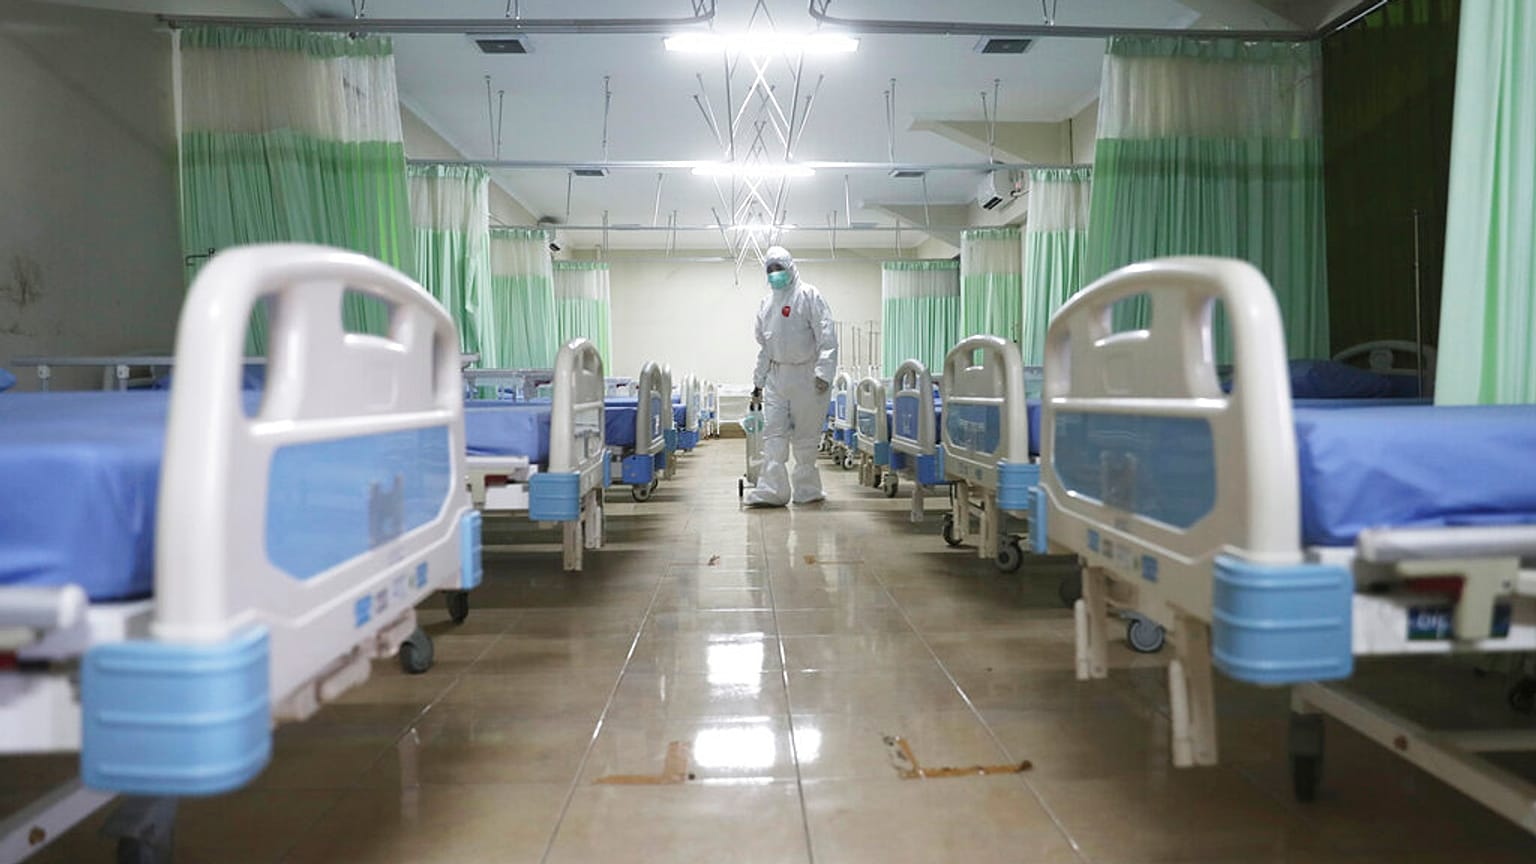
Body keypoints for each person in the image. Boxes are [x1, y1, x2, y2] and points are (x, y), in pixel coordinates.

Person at [744, 246, 838, 507]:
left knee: (806, 437)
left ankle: (807, 490)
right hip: (776, 376)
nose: (775, 274)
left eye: (779, 268)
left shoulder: (808, 295)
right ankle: (773, 491)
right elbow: (765, 348)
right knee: (773, 434)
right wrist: (758, 382)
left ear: (791, 267)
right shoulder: (766, 303)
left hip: (807, 376)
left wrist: (823, 373)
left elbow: (827, 337)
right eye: (770, 269)